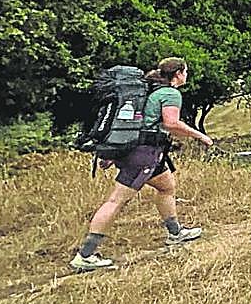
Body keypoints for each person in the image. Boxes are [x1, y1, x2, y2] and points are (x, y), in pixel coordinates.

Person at [70, 57, 213, 271]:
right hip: (144, 154)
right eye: (185, 71)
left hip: (141, 151)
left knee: (166, 187)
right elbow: (171, 123)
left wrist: (115, 153)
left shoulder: (150, 90)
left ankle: (175, 233)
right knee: (116, 201)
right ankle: (85, 255)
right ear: (177, 74)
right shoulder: (170, 93)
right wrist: (200, 136)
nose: (186, 75)